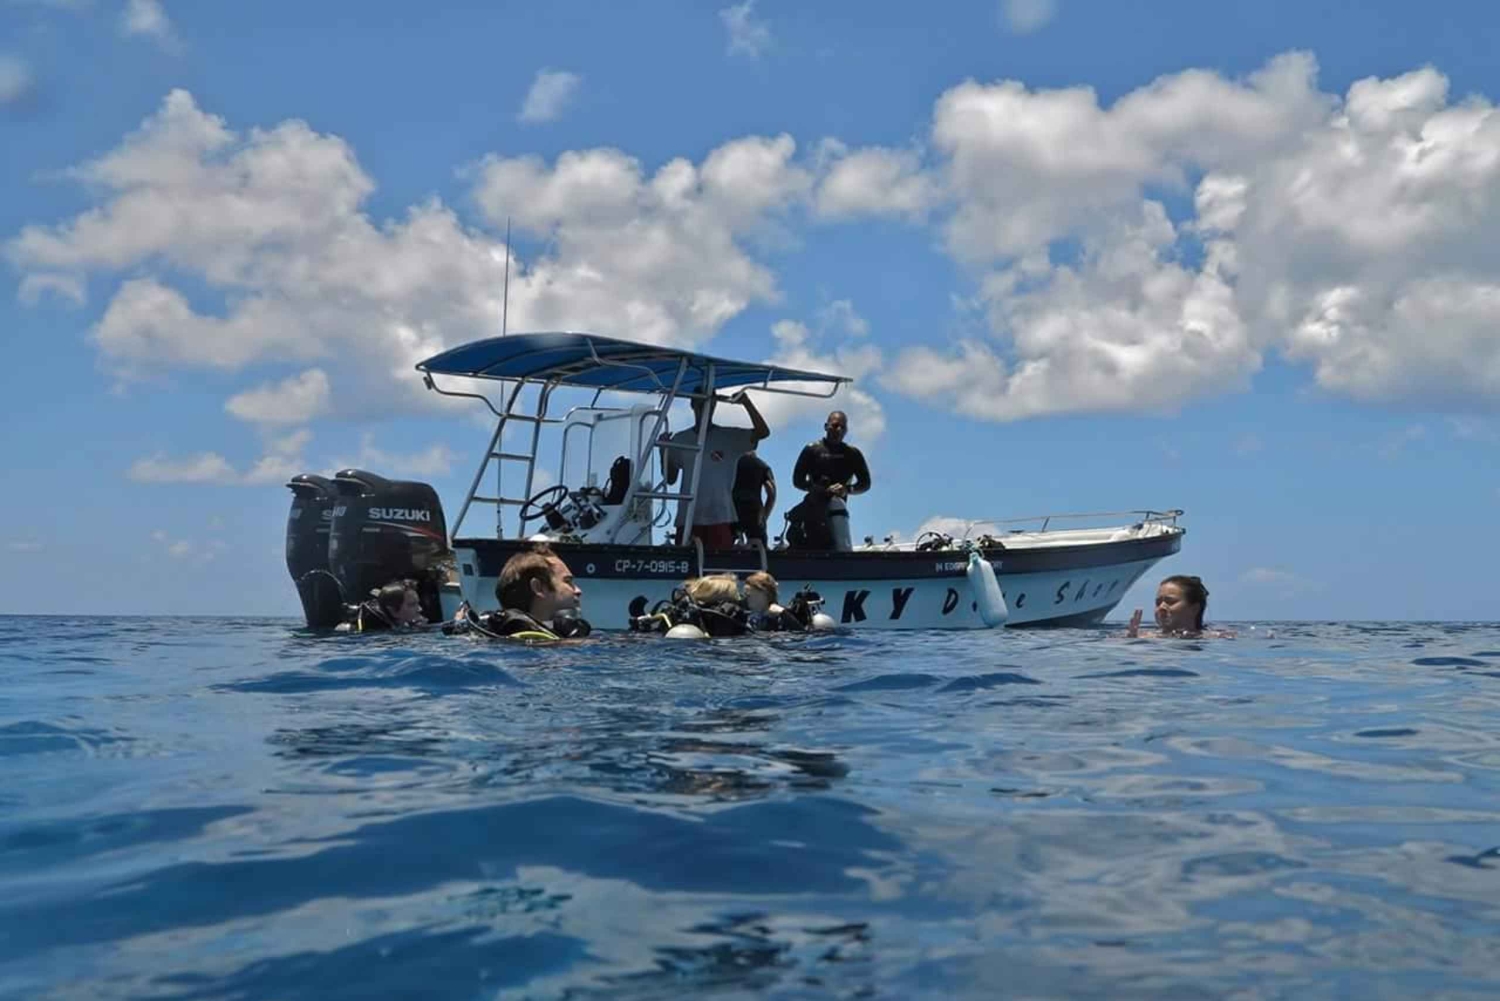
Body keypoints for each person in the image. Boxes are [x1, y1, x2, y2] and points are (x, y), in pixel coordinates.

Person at [662, 391, 770, 549]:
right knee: (689, 571)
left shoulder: (728, 437)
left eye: (710, 403)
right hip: (688, 518)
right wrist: (664, 451)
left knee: (719, 572)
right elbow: (670, 478)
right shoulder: (680, 439)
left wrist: (746, 403)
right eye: (701, 403)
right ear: (692, 404)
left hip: (720, 517)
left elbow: (763, 432)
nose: (705, 408)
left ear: (715, 405)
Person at [448, 543, 590, 641]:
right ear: (539, 588)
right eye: (567, 581)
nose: (578, 591)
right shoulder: (556, 650)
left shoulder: (489, 636)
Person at [788, 410, 870, 551]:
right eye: (835, 425)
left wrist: (847, 489)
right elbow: (797, 481)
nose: (838, 430)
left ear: (846, 430)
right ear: (826, 426)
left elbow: (865, 484)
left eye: (842, 427)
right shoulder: (812, 449)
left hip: (838, 508)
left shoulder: (852, 454)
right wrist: (819, 489)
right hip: (814, 507)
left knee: (837, 545)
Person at [1126, 575, 1233, 638]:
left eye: (1170, 602)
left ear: (1194, 608)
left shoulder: (1215, 637)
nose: (1161, 607)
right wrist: (1131, 640)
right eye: (1158, 603)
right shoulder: (1146, 637)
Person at [337, 579, 428, 632]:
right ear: (393, 611)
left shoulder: (400, 621)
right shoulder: (375, 630)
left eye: (417, 603)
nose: (420, 609)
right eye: (412, 605)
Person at [731, 450, 776, 546]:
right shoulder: (762, 465)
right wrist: (764, 516)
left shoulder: (731, 463)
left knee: (724, 549)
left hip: (731, 509)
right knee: (758, 551)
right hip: (754, 511)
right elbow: (771, 493)